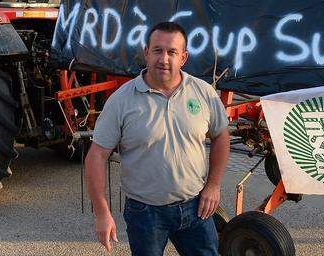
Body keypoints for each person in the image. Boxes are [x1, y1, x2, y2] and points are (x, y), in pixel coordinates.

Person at [85, 21, 230, 255]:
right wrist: (102, 212)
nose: (164, 59)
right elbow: (96, 155)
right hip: (145, 213)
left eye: (172, 52)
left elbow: (221, 136)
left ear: (183, 57)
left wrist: (213, 185)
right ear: (146, 53)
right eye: (157, 50)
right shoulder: (122, 100)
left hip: (196, 208)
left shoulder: (203, 93)